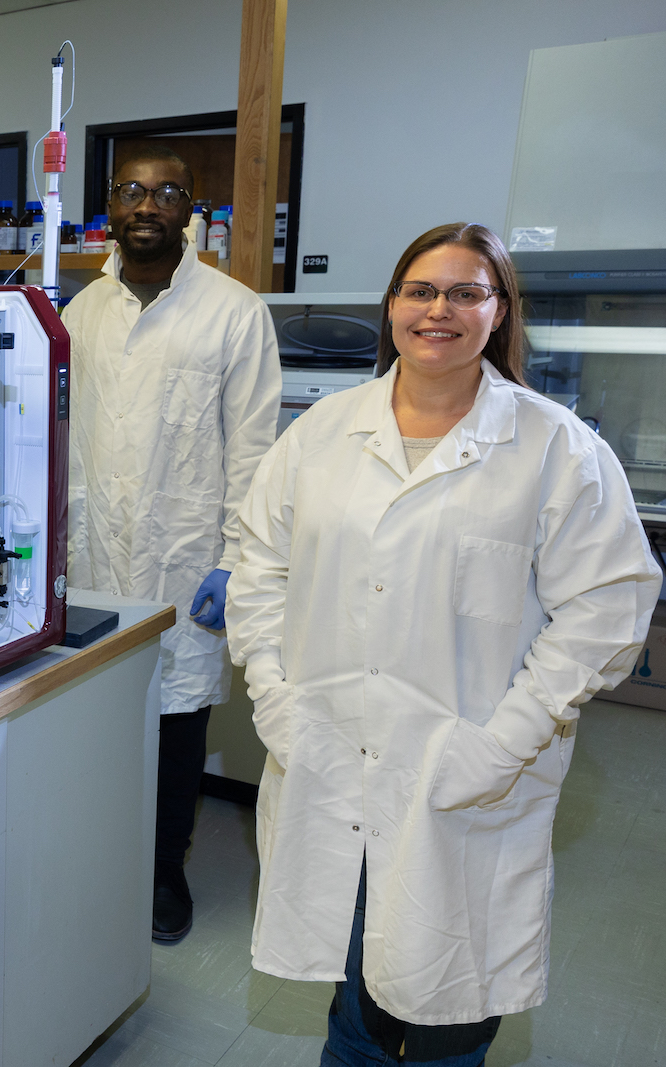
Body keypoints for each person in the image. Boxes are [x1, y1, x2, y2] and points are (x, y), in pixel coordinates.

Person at [227, 222, 661, 1065]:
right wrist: (275, 697)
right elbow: (257, 567)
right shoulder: (321, 434)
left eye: (467, 292)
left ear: (498, 312)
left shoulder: (556, 448)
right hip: (328, 756)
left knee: (447, 1020)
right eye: (421, 291)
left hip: (465, 778)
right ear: (392, 305)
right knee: (355, 1001)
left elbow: (605, 612)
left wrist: (502, 744)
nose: (440, 310)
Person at [64, 144, 282, 943]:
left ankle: (164, 868)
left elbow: (255, 449)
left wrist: (236, 558)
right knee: (97, 708)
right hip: (91, 552)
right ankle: (101, 851)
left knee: (178, 714)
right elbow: (63, 434)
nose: (146, 206)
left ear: (191, 209)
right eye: (131, 191)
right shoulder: (82, 311)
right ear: (111, 208)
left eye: (165, 193)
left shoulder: (234, 311)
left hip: (187, 552)